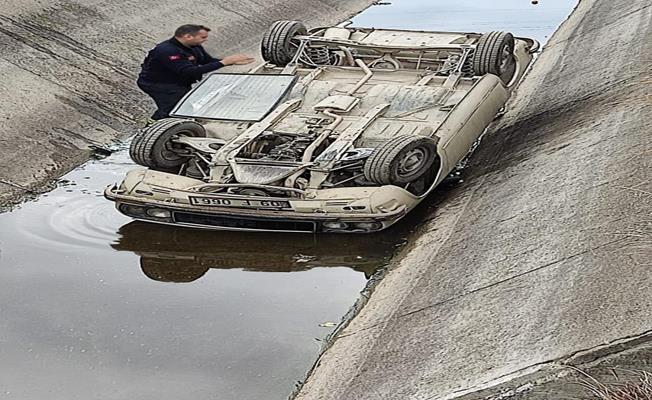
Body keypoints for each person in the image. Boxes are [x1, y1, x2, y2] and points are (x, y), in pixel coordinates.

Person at [137, 24, 254, 122]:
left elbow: (206, 61)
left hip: (178, 82)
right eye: (202, 37)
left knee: (183, 107)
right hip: (159, 84)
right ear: (188, 36)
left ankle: (176, 126)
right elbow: (188, 72)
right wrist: (224, 63)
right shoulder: (168, 51)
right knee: (173, 109)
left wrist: (231, 62)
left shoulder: (194, 46)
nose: (205, 40)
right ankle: (151, 129)